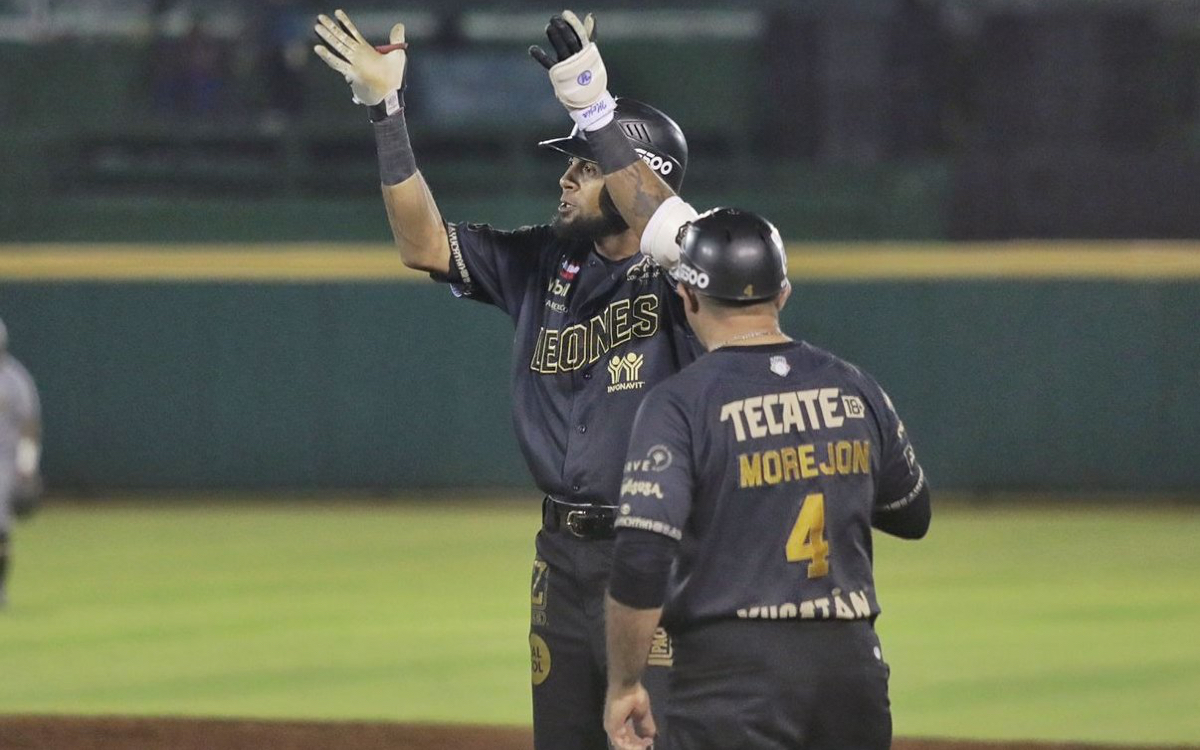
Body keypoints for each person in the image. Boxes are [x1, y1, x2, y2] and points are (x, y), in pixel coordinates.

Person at [312, 10, 699, 748]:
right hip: (562, 555)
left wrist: (595, 107)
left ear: (637, 176)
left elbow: (675, 229)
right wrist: (385, 113)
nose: (567, 173)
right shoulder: (543, 260)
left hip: (657, 554)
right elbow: (422, 244)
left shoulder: (691, 275)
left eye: (585, 166)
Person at [603, 209, 932, 750]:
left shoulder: (679, 404)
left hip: (732, 677)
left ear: (687, 296)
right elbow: (912, 514)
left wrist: (625, 683)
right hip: (851, 670)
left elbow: (642, 555)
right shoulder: (854, 386)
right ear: (783, 293)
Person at [0, 317, 43, 609]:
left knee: (0, 528)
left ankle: (0, 589)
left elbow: (30, 424)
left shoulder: (15, 378)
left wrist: (26, 466)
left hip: (4, 461)